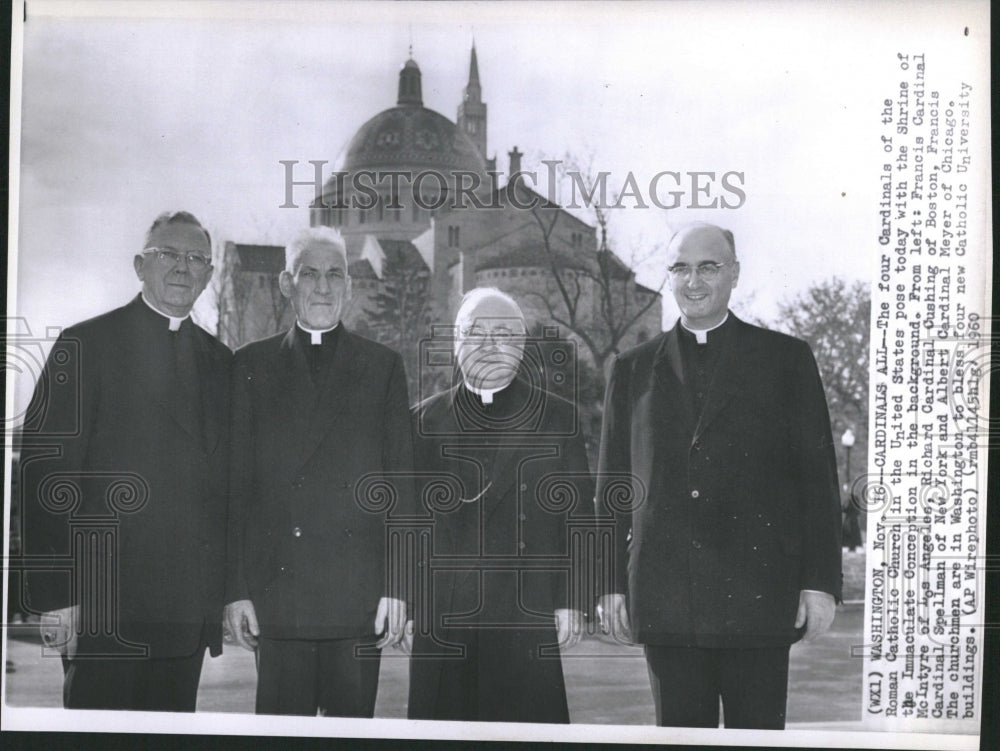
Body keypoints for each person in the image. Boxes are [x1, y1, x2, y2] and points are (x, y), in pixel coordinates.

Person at [596, 222, 842, 729]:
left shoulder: (786, 360)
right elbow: (611, 490)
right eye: (680, 268)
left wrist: (819, 583)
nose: (693, 280)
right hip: (667, 603)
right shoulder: (632, 369)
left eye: (708, 266)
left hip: (758, 600)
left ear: (734, 274)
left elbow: (817, 481)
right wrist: (606, 584)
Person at [20, 211, 231, 710]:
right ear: (140, 265)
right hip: (103, 610)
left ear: (208, 274)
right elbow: (44, 475)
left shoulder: (222, 362)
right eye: (168, 255)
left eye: (196, 258)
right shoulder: (87, 344)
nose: (182, 267)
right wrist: (57, 598)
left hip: (185, 617)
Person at [224, 226, 414, 717]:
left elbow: (401, 485)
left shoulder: (383, 367)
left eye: (336, 275)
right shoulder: (249, 366)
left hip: (357, 600)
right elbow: (234, 491)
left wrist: (398, 585)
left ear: (351, 287)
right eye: (310, 275)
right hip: (278, 600)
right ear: (287, 284)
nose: (324, 288)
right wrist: (236, 591)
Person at [405, 288, 592, 723]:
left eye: (503, 333)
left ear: (523, 344)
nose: (489, 344)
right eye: (475, 332)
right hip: (443, 620)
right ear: (455, 342)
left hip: (526, 616)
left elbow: (580, 515)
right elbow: (407, 520)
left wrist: (571, 599)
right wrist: (409, 602)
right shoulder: (419, 421)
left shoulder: (558, 417)